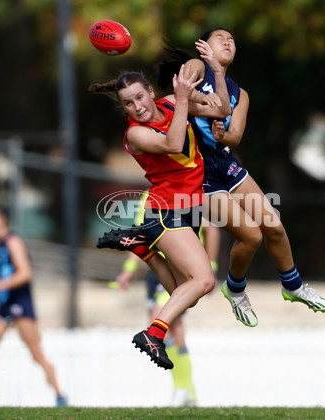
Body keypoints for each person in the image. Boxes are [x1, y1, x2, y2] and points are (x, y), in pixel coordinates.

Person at [157, 27, 325, 328]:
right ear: (203, 46)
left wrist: (224, 134)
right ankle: (236, 289)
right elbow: (186, 94)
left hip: (225, 165)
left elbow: (235, 135)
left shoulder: (242, 94)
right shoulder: (198, 67)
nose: (227, 41)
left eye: (232, 39)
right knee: (251, 235)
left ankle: (293, 286)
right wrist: (206, 96)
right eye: (219, 38)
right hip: (199, 172)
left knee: (274, 226)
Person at [90, 40, 231, 370]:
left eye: (139, 97)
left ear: (151, 92)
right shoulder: (135, 134)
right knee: (205, 282)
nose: (136, 106)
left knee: (187, 293)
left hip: (187, 208)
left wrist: (219, 73)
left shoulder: (170, 105)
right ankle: (153, 333)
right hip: (165, 212)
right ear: (124, 108)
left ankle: (143, 249)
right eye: (128, 103)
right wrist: (184, 99)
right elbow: (173, 142)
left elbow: (223, 110)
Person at [114, 191, 220, 406]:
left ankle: (183, 389)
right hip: (156, 270)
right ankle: (186, 391)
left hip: (181, 266)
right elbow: (140, 235)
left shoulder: (188, 191)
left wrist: (211, 266)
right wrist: (128, 270)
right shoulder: (147, 197)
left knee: (161, 320)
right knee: (176, 330)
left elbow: (212, 228)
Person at [0, 205, 66, 407]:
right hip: (5, 304)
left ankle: (59, 394)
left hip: (21, 303)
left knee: (36, 353)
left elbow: (25, 273)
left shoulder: (13, 241)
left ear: (2, 219)